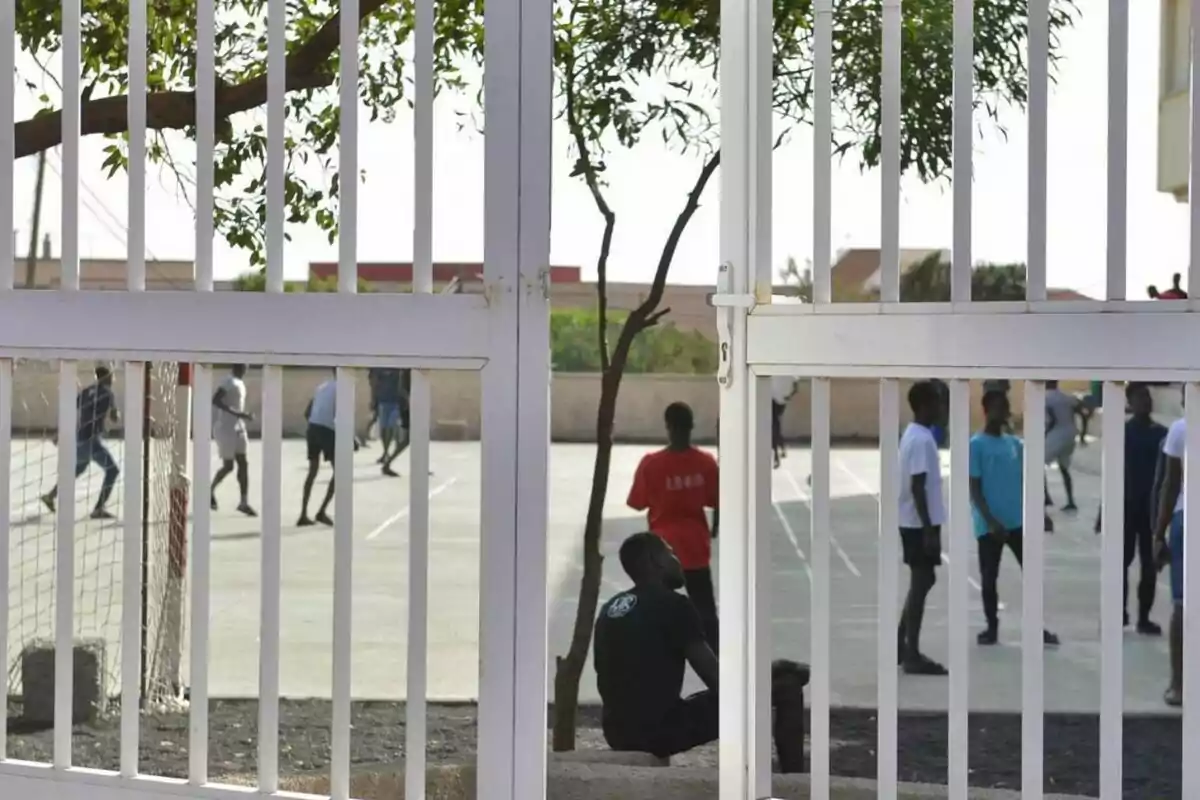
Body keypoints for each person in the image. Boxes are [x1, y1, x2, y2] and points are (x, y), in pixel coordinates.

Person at [593, 531, 809, 770]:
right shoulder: (674, 605)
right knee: (786, 686)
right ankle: (795, 784)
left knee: (692, 704)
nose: (678, 560)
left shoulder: (610, 609)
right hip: (656, 734)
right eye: (671, 553)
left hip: (616, 732)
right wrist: (777, 669)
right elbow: (722, 685)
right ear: (658, 561)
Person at [969, 390, 1060, 646]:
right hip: (989, 525)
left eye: (1005, 407)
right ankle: (991, 627)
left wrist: (1039, 512)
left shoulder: (1013, 445)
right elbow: (974, 487)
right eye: (998, 407)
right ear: (987, 410)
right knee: (989, 577)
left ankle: (1037, 628)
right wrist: (989, 519)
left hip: (1017, 521)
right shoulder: (976, 445)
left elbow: (1027, 480)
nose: (1003, 413)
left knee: (1031, 575)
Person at [627, 402, 720, 647]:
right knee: (705, 611)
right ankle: (716, 662)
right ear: (691, 427)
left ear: (668, 427)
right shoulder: (706, 462)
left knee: (657, 608)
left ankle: (659, 651)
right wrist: (715, 527)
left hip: (661, 552)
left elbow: (637, 502)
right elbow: (719, 500)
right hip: (696, 549)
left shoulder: (651, 464)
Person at [1093, 383, 1165, 634]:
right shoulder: (1122, 433)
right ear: (1129, 402)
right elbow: (1112, 472)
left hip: (1152, 509)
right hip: (1125, 506)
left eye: (1147, 396)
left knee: (1149, 564)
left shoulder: (1161, 435)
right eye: (1140, 397)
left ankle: (1143, 617)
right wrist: (1104, 510)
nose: (1146, 401)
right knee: (1120, 563)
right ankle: (1118, 614)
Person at [896, 381, 948, 675]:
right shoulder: (921, 440)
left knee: (924, 581)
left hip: (919, 521)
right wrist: (929, 529)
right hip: (918, 523)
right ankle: (911, 653)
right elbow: (917, 486)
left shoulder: (917, 435)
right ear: (927, 405)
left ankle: (901, 643)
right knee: (921, 582)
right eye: (939, 403)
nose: (942, 409)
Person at [42, 365, 122, 519]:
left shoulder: (86, 392)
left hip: (79, 440)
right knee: (113, 470)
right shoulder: (108, 393)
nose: (113, 379)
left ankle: (50, 496)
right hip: (93, 440)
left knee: (77, 469)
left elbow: (71, 410)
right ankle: (98, 509)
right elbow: (114, 417)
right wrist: (116, 413)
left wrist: (60, 433)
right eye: (112, 376)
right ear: (108, 377)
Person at [1155, 397, 1187, 706]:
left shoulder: (1181, 428)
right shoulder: (1180, 429)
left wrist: (1158, 534)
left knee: (1183, 606)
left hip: (1187, 520)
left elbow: (1170, 484)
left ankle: (1179, 684)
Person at [211, 364, 257, 516]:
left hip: (238, 427)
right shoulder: (228, 381)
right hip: (225, 428)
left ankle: (243, 502)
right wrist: (238, 413)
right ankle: (209, 491)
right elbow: (216, 400)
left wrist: (242, 415)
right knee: (229, 466)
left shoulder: (240, 383)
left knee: (243, 463)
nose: (246, 368)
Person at [299, 369, 338, 526]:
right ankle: (321, 511)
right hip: (327, 430)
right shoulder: (344, 388)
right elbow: (343, 416)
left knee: (312, 471)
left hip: (313, 428)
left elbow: (307, 413)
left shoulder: (322, 387)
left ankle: (303, 514)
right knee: (340, 473)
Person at [1044, 380, 1084, 512]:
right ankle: (1071, 501)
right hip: (1070, 435)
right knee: (1064, 468)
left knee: (1035, 464)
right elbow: (1083, 412)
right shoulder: (1067, 398)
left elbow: (1052, 420)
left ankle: (1045, 497)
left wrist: (1044, 434)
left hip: (1056, 435)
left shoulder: (1045, 398)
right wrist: (1083, 433)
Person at [374, 367, 408, 477]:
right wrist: (374, 399)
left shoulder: (400, 369)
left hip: (396, 403)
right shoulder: (380, 368)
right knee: (385, 429)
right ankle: (386, 454)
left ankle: (387, 460)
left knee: (392, 427)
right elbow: (375, 384)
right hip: (384, 401)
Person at [770, 376, 797, 469]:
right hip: (781, 398)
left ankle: (776, 454)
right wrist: (789, 396)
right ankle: (780, 447)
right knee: (775, 423)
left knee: (774, 424)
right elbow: (796, 386)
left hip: (774, 397)